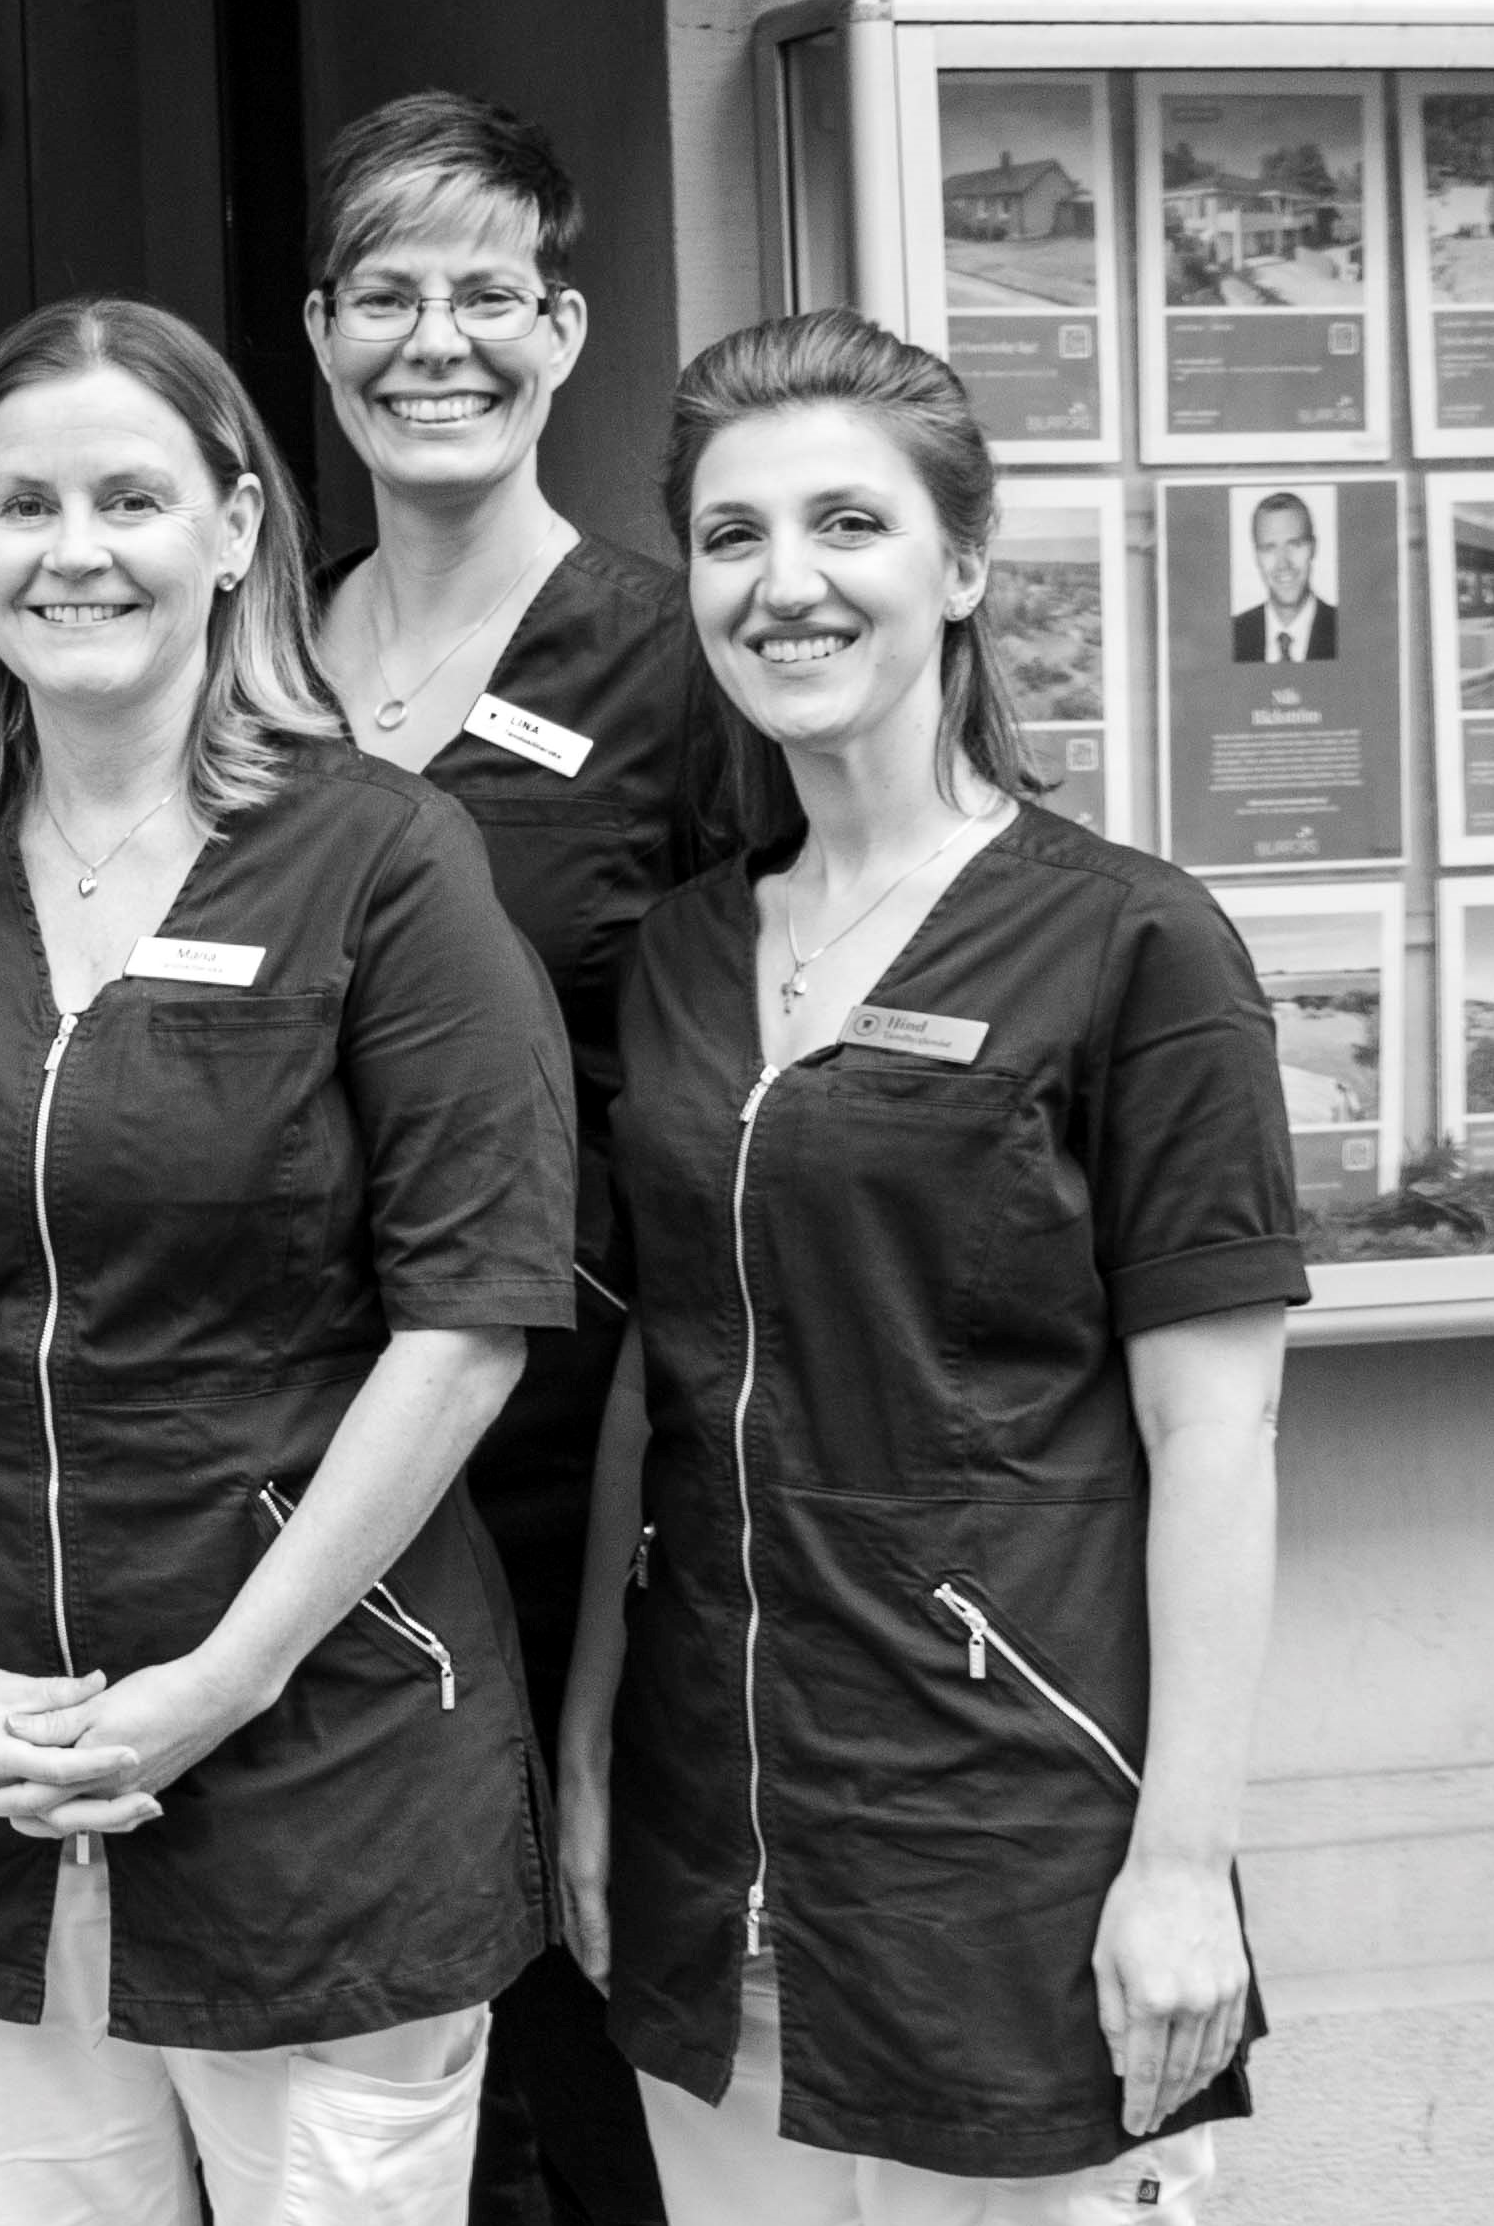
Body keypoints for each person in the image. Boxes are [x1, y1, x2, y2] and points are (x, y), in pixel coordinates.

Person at [0, 295, 574, 2225]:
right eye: (24, 504)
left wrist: (219, 1678)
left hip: (320, 1747)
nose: (76, 550)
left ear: (234, 526)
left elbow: (467, 1324)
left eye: (130, 498)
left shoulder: (382, 862)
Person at [563, 309, 1291, 2223]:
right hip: (714, 1844)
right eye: (731, 536)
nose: (784, 582)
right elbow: (662, 1377)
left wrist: (1183, 1867)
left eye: (847, 525)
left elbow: (1215, 1437)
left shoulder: (1130, 946)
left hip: (1010, 1845)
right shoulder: (683, 954)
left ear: (961, 565)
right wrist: (590, 1755)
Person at [295, 89, 734, 2222]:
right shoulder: (251, 658)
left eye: (487, 292)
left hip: (575, 1467)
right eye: (384, 293)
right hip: (293, 1457)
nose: (435, 341)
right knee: (354, 2052)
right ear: (317, 333)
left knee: (566, 2038)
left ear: (563, 330)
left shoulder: (675, 666)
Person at [1228, 493, 1334, 663]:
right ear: (1257, 556)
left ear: (1313, 548)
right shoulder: (1231, 636)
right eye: (1269, 548)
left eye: (1295, 544)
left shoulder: (1347, 631)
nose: (1283, 564)